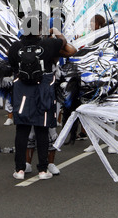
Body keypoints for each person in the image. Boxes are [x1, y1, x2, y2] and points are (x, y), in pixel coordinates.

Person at [8, 12, 76, 180]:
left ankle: (20, 169)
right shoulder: (47, 44)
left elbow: (11, 65)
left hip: (21, 92)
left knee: (22, 130)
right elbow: (66, 44)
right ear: (40, 29)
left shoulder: (15, 47)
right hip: (42, 92)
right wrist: (54, 30)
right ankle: (43, 170)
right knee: (42, 130)